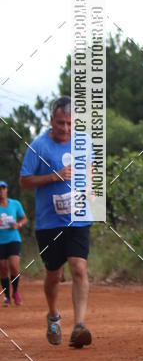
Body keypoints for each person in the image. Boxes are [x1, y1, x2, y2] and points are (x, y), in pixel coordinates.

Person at [19, 97, 93, 348]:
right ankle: (53, 316)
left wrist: (91, 189)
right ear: (52, 120)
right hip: (49, 222)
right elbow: (24, 181)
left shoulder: (84, 142)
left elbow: (91, 170)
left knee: (79, 267)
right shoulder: (38, 146)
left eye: (70, 123)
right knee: (54, 274)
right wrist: (54, 177)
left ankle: (79, 325)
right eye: (61, 123)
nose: (65, 128)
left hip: (79, 217)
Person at [0, 181, 28, 306]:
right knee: (2, 268)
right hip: (0, 241)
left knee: (14, 266)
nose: (1, 191)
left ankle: (15, 292)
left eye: (3, 188)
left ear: (6, 190)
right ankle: (7, 296)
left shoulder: (15, 204)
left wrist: (19, 224)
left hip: (13, 239)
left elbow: (24, 218)